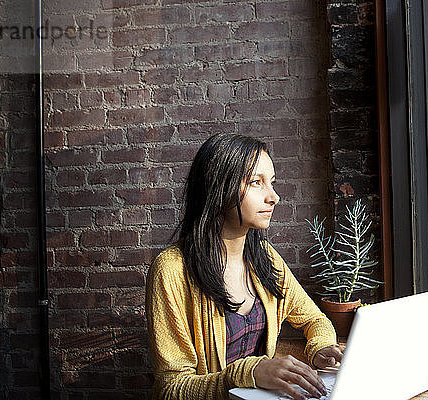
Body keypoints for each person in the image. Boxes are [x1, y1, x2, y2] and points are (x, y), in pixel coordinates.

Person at [146, 133, 344, 400]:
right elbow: (171, 389)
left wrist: (320, 348)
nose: (273, 196)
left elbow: (314, 319)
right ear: (219, 188)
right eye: (256, 182)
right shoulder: (172, 270)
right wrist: (248, 372)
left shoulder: (265, 257)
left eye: (272, 183)